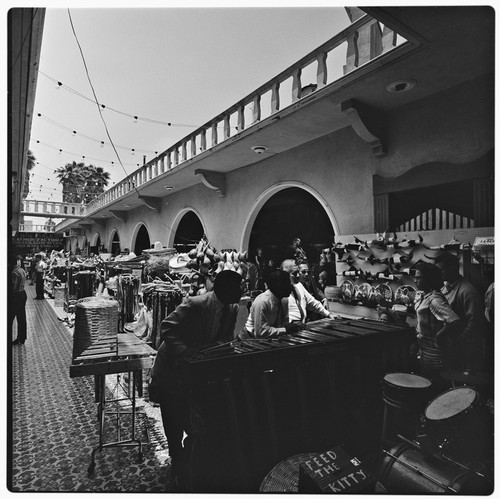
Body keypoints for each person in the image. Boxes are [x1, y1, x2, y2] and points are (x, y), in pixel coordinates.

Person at [148, 270, 244, 490]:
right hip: (171, 369)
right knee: (173, 420)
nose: (243, 290)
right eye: (239, 286)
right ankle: (177, 468)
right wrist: (187, 352)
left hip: (195, 371)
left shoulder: (232, 307)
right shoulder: (196, 303)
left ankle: (191, 463)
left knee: (195, 420)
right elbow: (166, 328)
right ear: (225, 289)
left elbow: (225, 337)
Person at [413, 262, 462, 389]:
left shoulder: (434, 299)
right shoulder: (426, 296)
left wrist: (440, 336)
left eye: (419, 278)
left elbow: (454, 321)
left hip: (435, 356)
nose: (415, 280)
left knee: (436, 390)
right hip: (425, 353)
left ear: (429, 279)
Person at [435, 253, 485, 372]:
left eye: (440, 269)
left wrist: (460, 341)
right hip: (449, 347)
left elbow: (475, 322)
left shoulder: (467, 291)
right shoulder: (445, 287)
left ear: (452, 268)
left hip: (462, 351)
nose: (438, 273)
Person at [243, 270, 306, 338]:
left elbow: (282, 324)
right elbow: (261, 332)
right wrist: (286, 329)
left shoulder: (284, 300)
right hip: (249, 339)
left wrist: (292, 325)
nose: (291, 288)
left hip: (269, 338)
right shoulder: (262, 302)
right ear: (279, 286)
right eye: (288, 285)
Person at [10, 254, 27, 345]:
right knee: (21, 317)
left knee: (10, 318)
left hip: (16, 295)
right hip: (22, 293)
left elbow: (13, 287)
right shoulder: (22, 270)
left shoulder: (14, 272)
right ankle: (21, 338)